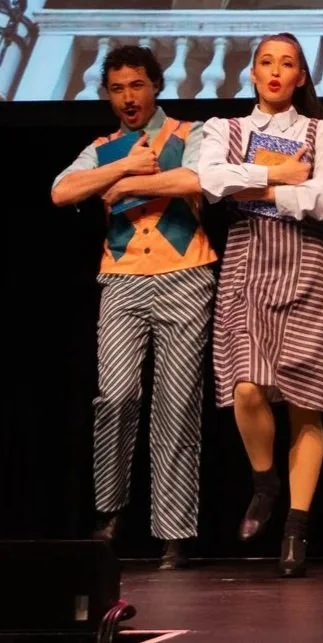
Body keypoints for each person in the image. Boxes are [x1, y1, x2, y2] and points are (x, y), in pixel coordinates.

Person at [51, 45, 217, 571]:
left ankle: (174, 532)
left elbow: (194, 181)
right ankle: (110, 511)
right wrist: (122, 165)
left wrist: (123, 184)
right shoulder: (102, 147)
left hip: (185, 275)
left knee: (175, 405)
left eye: (137, 85)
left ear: (155, 86)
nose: (128, 97)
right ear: (108, 94)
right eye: (118, 88)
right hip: (121, 280)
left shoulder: (193, 133)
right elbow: (61, 192)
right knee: (116, 396)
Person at [197, 33, 323, 578]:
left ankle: (295, 529)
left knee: (306, 404)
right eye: (267, 62)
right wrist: (280, 177)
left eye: (288, 63)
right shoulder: (224, 130)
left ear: (302, 77)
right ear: (253, 73)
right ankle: (265, 482)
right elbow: (210, 182)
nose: (277, 71)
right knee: (245, 387)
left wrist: (252, 189)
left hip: (308, 263)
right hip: (247, 258)